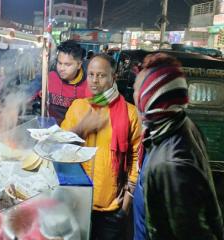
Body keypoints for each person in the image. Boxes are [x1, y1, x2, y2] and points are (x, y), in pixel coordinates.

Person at [132, 53, 224, 240]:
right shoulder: (177, 124)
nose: (133, 93)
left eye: (138, 89)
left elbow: (192, 232)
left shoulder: (171, 164)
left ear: (151, 96)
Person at [61, 54, 141, 240]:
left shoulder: (129, 113)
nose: (94, 81)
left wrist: (127, 201)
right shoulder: (78, 107)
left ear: (113, 77)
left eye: (101, 75)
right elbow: (60, 147)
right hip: (76, 202)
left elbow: (136, 157)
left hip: (111, 207)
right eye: (91, 74)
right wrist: (81, 129)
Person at [48, 40, 90, 124]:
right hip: (50, 130)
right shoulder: (50, 76)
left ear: (79, 65)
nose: (61, 68)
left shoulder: (89, 85)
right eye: (59, 63)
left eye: (67, 65)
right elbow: (29, 90)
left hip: (75, 133)